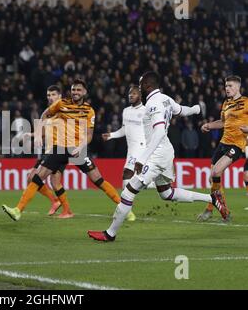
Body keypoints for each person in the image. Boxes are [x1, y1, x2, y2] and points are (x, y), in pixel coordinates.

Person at [87, 71, 229, 243]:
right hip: (165, 151)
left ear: (147, 86)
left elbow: (160, 131)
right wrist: (195, 109)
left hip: (157, 153)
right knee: (167, 193)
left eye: (140, 85)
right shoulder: (165, 99)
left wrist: (142, 158)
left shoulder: (153, 103)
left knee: (128, 192)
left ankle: (110, 234)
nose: (139, 88)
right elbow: (181, 110)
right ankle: (212, 198)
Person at [2, 79, 121, 221]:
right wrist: (38, 133)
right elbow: (44, 114)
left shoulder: (89, 111)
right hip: (59, 148)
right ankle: (18, 210)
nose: (75, 92)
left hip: (77, 149)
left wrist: (81, 147)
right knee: (39, 177)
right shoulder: (61, 104)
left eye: (78, 90)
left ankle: (123, 207)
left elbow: (89, 135)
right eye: (73, 90)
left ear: (84, 92)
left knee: (97, 180)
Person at [197, 75, 248, 221]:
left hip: (236, 145)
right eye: (226, 86)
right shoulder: (226, 103)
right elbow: (223, 122)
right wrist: (209, 125)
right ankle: (213, 209)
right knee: (212, 178)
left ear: (238, 87)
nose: (227, 88)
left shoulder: (246, 102)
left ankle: (222, 212)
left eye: (230, 86)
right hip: (222, 143)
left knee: (216, 171)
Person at [26, 85, 73, 218]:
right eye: (48, 95)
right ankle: (65, 209)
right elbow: (39, 133)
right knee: (55, 182)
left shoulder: (65, 110)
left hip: (59, 150)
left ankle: (57, 203)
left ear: (59, 96)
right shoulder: (45, 113)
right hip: (49, 150)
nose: (50, 97)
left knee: (33, 178)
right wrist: (31, 136)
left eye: (53, 95)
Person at [102, 85, 144, 221]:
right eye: (129, 93)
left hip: (141, 147)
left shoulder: (146, 111)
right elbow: (124, 129)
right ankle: (127, 209)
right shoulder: (126, 111)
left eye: (134, 93)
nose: (131, 95)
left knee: (127, 174)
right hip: (131, 149)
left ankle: (126, 210)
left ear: (140, 95)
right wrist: (112, 135)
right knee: (132, 178)